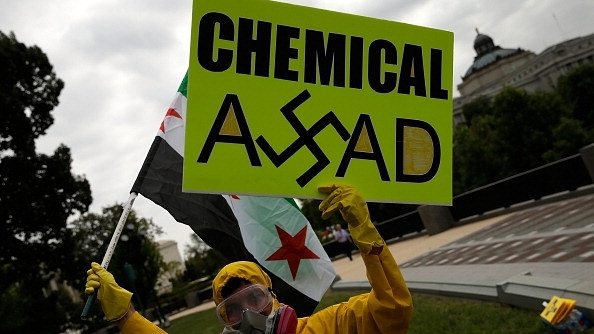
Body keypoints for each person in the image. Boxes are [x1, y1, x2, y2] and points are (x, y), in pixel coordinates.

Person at [84, 184, 413, 334]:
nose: (249, 313)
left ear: (273, 295)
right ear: (224, 319)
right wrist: (124, 315)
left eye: (254, 297)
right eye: (232, 309)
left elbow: (393, 311)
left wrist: (365, 231)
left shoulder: (328, 326)